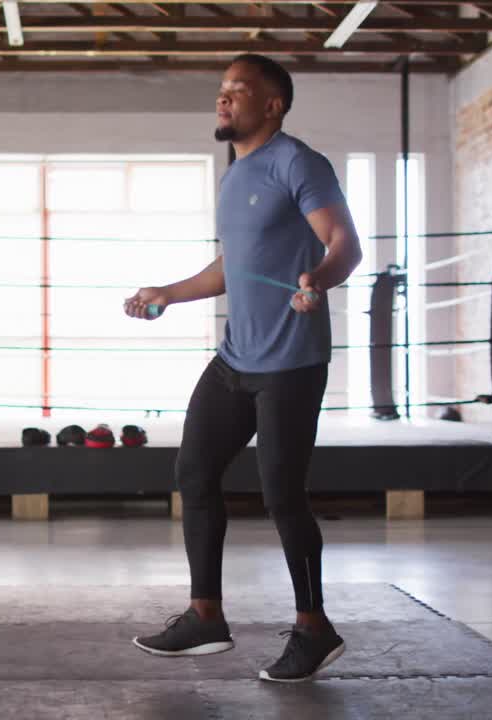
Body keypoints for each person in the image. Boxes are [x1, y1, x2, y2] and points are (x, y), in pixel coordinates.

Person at [124, 55, 363, 683]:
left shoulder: (297, 162)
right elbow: (233, 264)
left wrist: (319, 278)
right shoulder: (236, 174)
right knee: (194, 471)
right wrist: (167, 293)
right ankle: (206, 615)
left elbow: (345, 244)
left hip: (290, 362)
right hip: (236, 358)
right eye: (222, 90)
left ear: (273, 105)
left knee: (282, 494)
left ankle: (315, 628)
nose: (224, 99)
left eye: (238, 91)